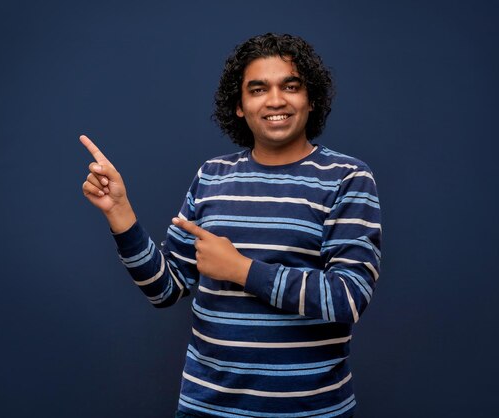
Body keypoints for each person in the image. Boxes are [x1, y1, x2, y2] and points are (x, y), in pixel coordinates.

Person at [81, 33, 381, 418]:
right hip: (207, 408)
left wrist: (241, 270)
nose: (275, 100)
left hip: (311, 410)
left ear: (311, 99)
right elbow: (165, 289)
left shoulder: (347, 177)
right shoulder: (212, 176)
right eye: (258, 89)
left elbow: (347, 298)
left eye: (290, 86)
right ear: (239, 105)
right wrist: (120, 212)